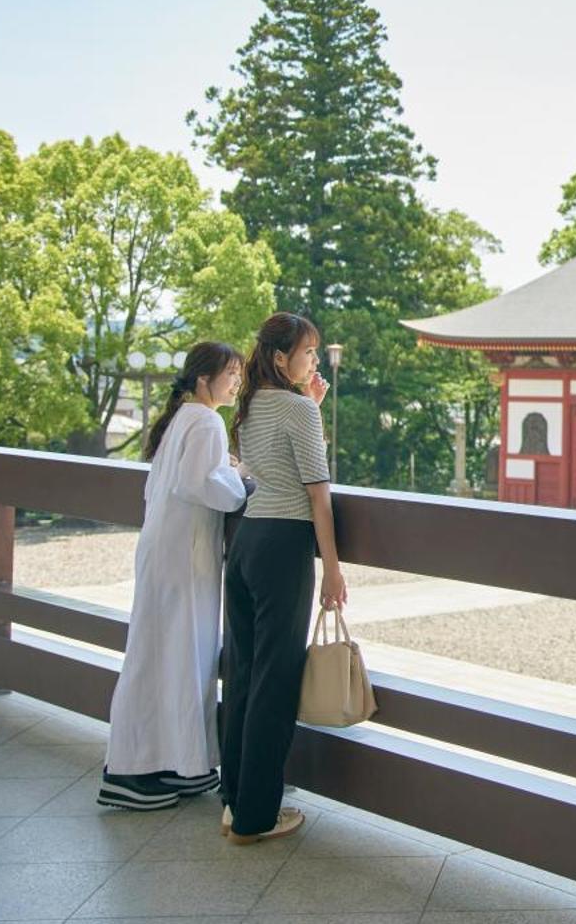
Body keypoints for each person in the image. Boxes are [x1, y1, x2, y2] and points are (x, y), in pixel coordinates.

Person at [98, 342, 250, 812]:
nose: (235, 383)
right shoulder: (206, 421)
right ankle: (134, 768)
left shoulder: (184, 418)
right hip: (183, 556)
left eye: (238, 375)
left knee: (164, 653)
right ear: (203, 378)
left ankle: (175, 763)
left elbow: (184, 479)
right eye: (229, 374)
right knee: (175, 655)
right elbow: (201, 483)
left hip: (167, 549)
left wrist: (228, 474)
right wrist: (243, 484)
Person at [220, 313, 347, 845]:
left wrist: (308, 406)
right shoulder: (299, 411)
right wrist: (333, 568)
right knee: (276, 680)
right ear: (281, 358)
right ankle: (257, 818)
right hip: (283, 547)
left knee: (246, 672)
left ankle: (235, 802)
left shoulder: (251, 407)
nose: (314, 361)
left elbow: (268, 462)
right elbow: (318, 496)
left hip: (246, 542)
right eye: (307, 352)